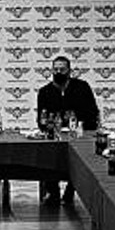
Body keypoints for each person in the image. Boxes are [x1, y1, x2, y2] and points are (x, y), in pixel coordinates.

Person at [36, 56, 99, 205]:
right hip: (55, 136)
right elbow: (41, 120)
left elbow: (92, 114)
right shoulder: (44, 91)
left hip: (79, 134)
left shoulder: (82, 87)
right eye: (56, 69)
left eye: (62, 69)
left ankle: (70, 191)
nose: (58, 72)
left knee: (81, 156)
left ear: (69, 71)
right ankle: (53, 192)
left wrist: (79, 126)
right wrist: (50, 127)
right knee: (47, 152)